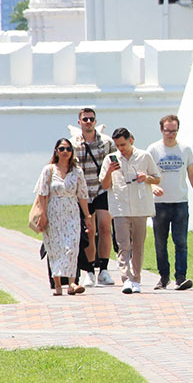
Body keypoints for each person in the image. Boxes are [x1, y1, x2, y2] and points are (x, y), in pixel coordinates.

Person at [146, 114, 193, 290]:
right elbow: (144, 175)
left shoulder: (185, 149)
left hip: (180, 201)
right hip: (160, 203)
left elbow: (192, 174)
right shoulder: (154, 149)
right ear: (161, 130)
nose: (171, 134)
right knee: (160, 242)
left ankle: (180, 277)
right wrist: (152, 187)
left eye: (174, 130)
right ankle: (163, 277)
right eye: (167, 131)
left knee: (181, 241)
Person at [100, 127, 162, 295]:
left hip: (140, 207)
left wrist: (146, 178)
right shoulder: (110, 159)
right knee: (123, 245)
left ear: (131, 140)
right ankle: (126, 278)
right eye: (117, 145)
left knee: (138, 245)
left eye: (123, 144)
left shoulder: (144, 156)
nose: (121, 148)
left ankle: (136, 279)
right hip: (120, 207)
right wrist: (110, 171)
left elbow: (157, 178)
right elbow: (105, 185)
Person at [32, 138, 96, 296]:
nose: (65, 152)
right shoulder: (49, 170)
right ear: (56, 151)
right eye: (62, 149)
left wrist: (87, 216)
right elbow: (42, 193)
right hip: (53, 212)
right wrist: (42, 214)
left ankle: (73, 282)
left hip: (71, 213)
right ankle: (58, 283)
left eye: (68, 149)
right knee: (55, 248)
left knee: (72, 247)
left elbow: (82, 195)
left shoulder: (77, 171)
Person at [73, 108, 117, 285]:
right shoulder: (73, 144)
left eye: (91, 119)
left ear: (96, 121)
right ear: (80, 122)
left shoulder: (106, 143)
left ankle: (104, 269)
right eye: (85, 119)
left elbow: (116, 163)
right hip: (83, 193)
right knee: (89, 231)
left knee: (105, 228)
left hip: (102, 189)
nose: (88, 122)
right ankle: (89, 270)